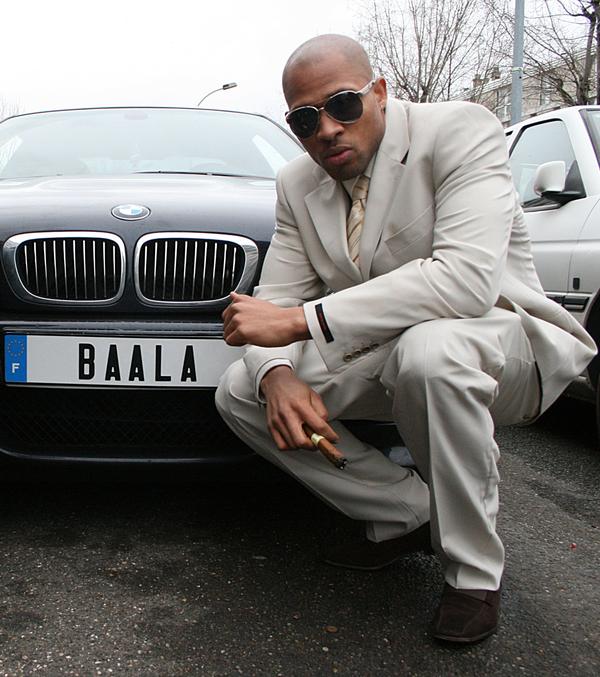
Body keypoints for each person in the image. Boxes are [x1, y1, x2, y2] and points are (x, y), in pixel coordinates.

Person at [216, 34, 596, 644]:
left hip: (502, 346)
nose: (326, 130)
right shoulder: (296, 183)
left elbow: (465, 281)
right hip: (385, 351)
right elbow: (274, 302)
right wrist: (278, 374)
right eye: (305, 119)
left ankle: (473, 572)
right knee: (243, 389)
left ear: (380, 92)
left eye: (342, 105)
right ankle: (406, 512)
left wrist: (302, 322)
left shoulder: (459, 131)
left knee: (431, 351)